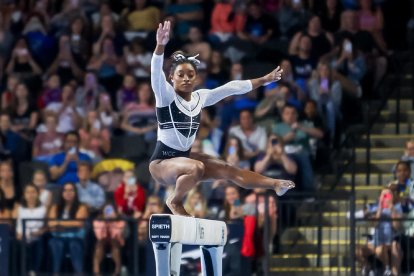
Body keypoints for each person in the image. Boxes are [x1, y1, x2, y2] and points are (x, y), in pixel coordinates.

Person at [148, 21, 295, 217]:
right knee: (196, 167)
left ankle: (274, 184)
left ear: (196, 78)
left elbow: (230, 88)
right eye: (180, 74)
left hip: (185, 159)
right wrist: (160, 46)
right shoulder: (166, 96)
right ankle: (174, 201)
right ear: (171, 77)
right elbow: (155, 74)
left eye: (190, 74)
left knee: (228, 169)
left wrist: (263, 80)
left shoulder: (200, 98)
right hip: (162, 164)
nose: (185, 78)